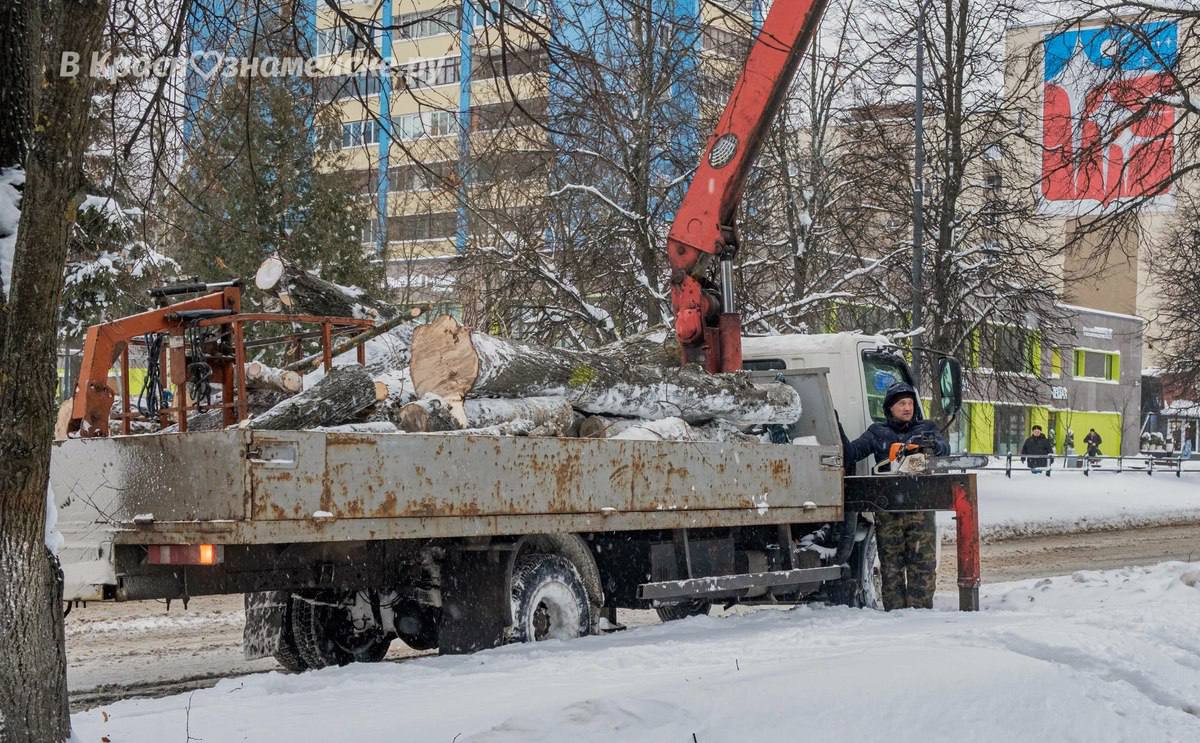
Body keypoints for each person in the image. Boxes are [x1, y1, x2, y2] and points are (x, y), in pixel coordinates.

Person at [841, 382, 949, 611]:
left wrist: (931, 444)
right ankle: (895, 613)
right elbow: (851, 453)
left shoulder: (926, 428)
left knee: (923, 564)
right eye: (901, 403)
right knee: (891, 565)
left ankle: (921, 611)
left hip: (920, 506)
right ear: (890, 407)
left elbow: (943, 448)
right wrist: (836, 427)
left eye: (910, 403)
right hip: (888, 510)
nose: (907, 407)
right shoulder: (878, 433)